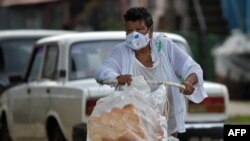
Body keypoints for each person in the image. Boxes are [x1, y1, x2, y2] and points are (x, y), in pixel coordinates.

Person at [95, 7, 207, 138]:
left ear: (151, 31)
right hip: (134, 129)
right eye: (129, 31)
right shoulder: (121, 51)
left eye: (140, 30)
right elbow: (101, 73)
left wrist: (189, 82)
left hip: (168, 125)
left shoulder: (164, 46)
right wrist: (116, 78)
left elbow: (193, 68)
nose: (134, 35)